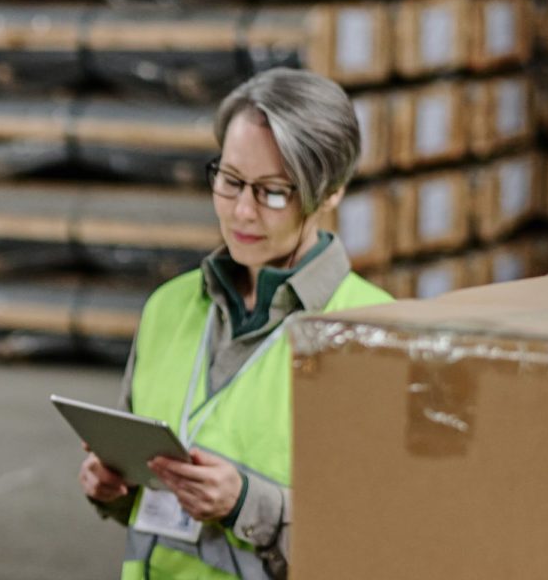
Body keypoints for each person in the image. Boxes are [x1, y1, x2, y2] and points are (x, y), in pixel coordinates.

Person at [77, 69, 394, 579]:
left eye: (272, 192)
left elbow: (384, 532)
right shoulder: (169, 307)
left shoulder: (373, 334)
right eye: (229, 181)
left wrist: (249, 504)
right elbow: (141, 493)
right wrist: (114, 489)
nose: (242, 212)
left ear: (331, 192)